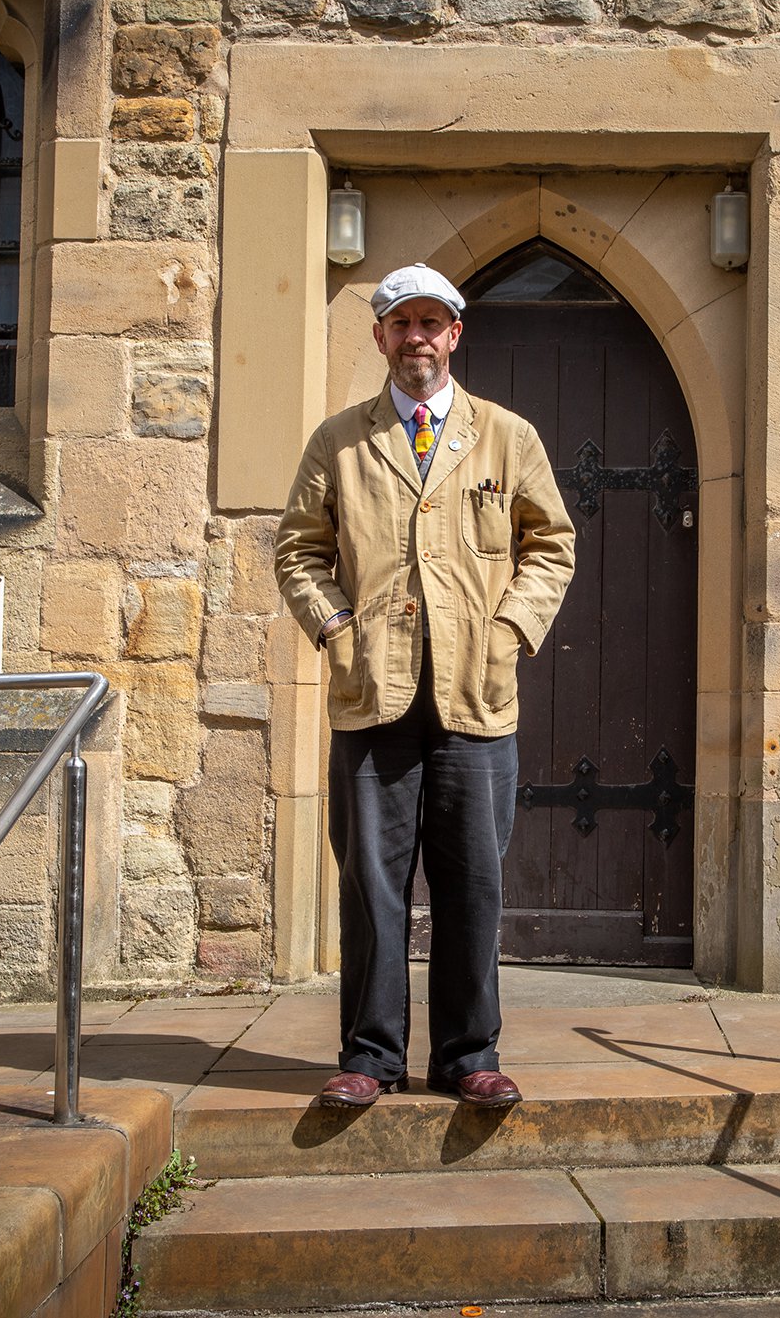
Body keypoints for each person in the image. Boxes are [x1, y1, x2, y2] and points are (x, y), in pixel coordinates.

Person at [273, 262, 576, 1109]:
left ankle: (467, 1054)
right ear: (379, 337)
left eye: (431, 323)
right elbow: (298, 550)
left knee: (474, 881)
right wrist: (335, 629)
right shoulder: (338, 440)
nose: (417, 338)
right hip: (372, 694)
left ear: (455, 335)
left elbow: (552, 544)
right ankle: (370, 1057)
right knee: (372, 885)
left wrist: (511, 628)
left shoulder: (506, 437)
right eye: (400, 323)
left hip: (477, 698)